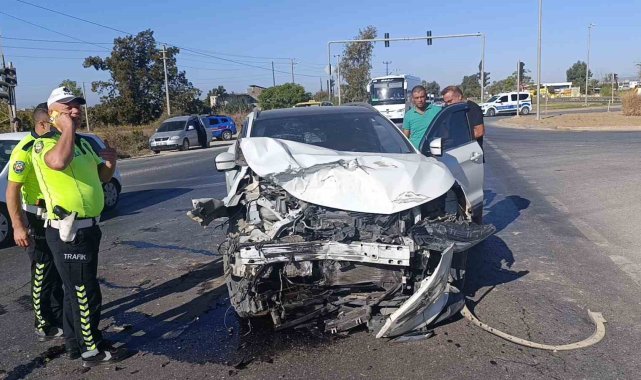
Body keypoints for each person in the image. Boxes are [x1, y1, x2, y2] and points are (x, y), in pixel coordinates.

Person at [31, 86, 126, 367]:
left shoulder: (84, 143)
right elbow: (59, 162)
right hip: (67, 230)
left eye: (78, 107)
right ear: (52, 112)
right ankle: (91, 349)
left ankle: (75, 345)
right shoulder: (44, 143)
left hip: (88, 228)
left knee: (76, 292)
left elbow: (103, 177)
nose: (75, 111)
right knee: (85, 292)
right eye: (67, 107)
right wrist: (65, 128)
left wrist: (110, 161)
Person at [6, 103, 64, 342]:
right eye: (54, 121)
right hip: (36, 217)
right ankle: (43, 322)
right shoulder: (25, 149)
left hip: (55, 216)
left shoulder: (53, 145)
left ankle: (59, 315)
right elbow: (12, 191)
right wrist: (18, 226)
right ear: (42, 123)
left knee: (57, 270)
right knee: (42, 270)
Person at [402, 85, 442, 150]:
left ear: (426, 96)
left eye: (422, 97)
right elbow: (405, 138)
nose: (420, 100)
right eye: (417, 98)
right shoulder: (408, 115)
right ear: (413, 99)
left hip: (435, 151)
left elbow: (445, 131)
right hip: (417, 153)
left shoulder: (437, 110)